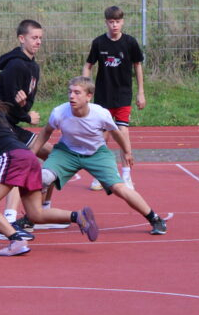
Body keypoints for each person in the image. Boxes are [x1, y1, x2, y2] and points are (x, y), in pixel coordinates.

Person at [0, 80, 98, 257]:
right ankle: (78, 216)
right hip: (28, 156)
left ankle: (17, 240)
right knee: (36, 214)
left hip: (11, 158)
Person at [34, 76, 167, 235]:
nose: (71, 96)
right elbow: (45, 132)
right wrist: (31, 154)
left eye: (77, 92)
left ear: (88, 96)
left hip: (96, 153)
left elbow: (116, 133)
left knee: (119, 188)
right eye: (70, 92)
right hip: (67, 152)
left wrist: (127, 152)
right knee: (43, 178)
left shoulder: (100, 114)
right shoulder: (59, 112)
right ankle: (36, 216)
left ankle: (155, 219)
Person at [82, 5, 145, 191]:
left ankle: (126, 175)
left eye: (117, 22)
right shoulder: (99, 43)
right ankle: (99, 176)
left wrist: (141, 92)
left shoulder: (130, 42)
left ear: (122, 22)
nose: (114, 25)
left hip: (123, 95)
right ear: (106, 22)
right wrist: (85, 88)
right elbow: (88, 65)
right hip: (103, 96)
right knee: (102, 137)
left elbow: (138, 66)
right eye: (111, 22)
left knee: (123, 133)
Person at [0, 19, 47, 233]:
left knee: (53, 155)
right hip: (1, 125)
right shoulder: (15, 65)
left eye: (40, 38)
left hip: (13, 122)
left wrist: (24, 109)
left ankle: (43, 210)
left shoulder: (33, 66)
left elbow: (24, 101)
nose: (38, 42)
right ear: (21, 39)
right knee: (20, 163)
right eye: (34, 38)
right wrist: (25, 115)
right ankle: (9, 219)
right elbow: (7, 103)